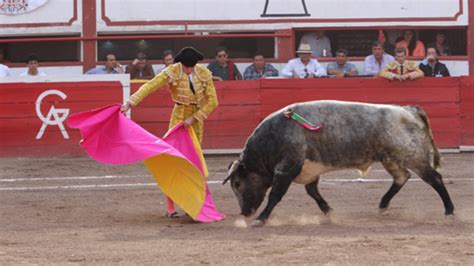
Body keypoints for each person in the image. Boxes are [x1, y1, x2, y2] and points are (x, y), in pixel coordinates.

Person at [120, 47, 218, 218]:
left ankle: (193, 203)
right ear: (181, 63)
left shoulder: (203, 73)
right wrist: (131, 102)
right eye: (187, 67)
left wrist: (195, 118)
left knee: (194, 163)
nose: (189, 69)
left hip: (195, 122)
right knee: (174, 161)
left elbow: (213, 102)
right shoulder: (172, 71)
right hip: (178, 118)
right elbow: (150, 86)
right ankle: (170, 206)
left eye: (191, 67)